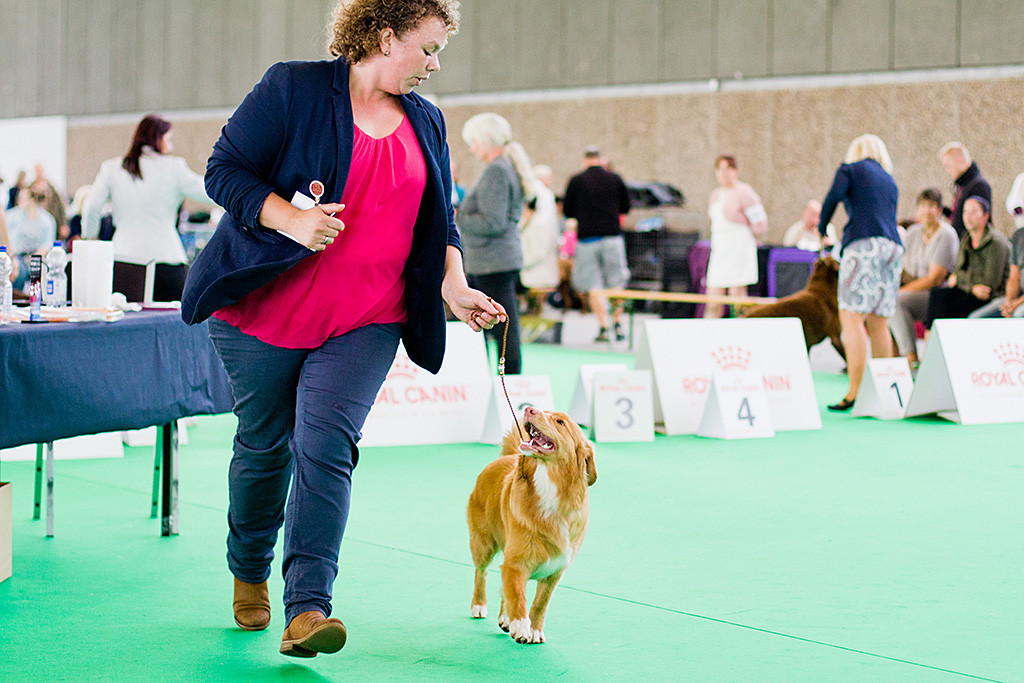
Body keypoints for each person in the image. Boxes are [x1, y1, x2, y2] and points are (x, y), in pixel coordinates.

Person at [180, 0, 502, 658]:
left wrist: (454, 285)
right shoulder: (293, 88)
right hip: (263, 312)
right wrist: (290, 218)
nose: (435, 65)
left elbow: (438, 222)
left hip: (367, 319)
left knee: (327, 444)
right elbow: (224, 171)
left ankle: (308, 607)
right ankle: (248, 566)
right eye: (429, 48)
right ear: (386, 36)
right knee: (265, 448)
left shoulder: (428, 122)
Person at [81, 115, 216, 302]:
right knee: (173, 326)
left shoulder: (112, 168)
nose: (171, 146)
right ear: (156, 139)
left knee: (128, 327)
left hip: (124, 261)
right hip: (167, 260)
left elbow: (91, 207)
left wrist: (90, 239)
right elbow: (211, 193)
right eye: (168, 140)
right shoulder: (175, 168)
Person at [819, 134, 903, 412]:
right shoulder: (890, 180)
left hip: (863, 244)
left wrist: (822, 229)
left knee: (851, 317)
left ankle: (854, 391)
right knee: (879, 321)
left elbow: (832, 197)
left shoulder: (850, 169)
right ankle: (885, 391)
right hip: (893, 248)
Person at [457, 112, 532, 374]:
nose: (472, 147)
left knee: (502, 330)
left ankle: (508, 380)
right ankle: (508, 377)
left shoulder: (496, 171)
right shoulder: (504, 167)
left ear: (486, 141)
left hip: (492, 262)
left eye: (474, 141)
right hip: (497, 260)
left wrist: (458, 217)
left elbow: (492, 222)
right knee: (503, 327)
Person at [562, 146, 631, 341]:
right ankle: (618, 323)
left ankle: (603, 326)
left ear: (584, 160)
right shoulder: (615, 178)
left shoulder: (576, 180)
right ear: (601, 159)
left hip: (587, 239)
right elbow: (626, 206)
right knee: (616, 282)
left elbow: (568, 210)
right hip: (612, 237)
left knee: (593, 286)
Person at [888, 188, 958, 365]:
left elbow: (934, 279)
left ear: (940, 210)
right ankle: (893, 361)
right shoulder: (912, 232)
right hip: (913, 290)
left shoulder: (946, 235)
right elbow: (903, 269)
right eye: (923, 206)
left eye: (932, 206)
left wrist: (901, 290)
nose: (927, 210)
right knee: (886, 301)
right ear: (917, 209)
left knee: (895, 301)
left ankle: (910, 358)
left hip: (938, 295)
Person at [924, 196, 1010, 326]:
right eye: (965, 212)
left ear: (986, 216)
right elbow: (957, 271)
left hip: (991, 295)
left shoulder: (996, 242)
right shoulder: (966, 238)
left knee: (954, 308)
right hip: (972, 290)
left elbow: (990, 282)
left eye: (973, 212)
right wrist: (971, 287)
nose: (968, 217)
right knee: (937, 296)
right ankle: (929, 340)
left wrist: (960, 280)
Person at [704, 155, 767, 318]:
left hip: (739, 247)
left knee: (737, 296)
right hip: (720, 248)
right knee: (713, 297)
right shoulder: (715, 195)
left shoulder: (745, 192)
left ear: (735, 171)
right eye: (720, 169)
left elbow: (760, 222)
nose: (724, 173)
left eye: (728, 169)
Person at [517, 163, 560, 311]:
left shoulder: (538, 224)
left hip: (535, 270)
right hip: (532, 267)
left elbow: (537, 253)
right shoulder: (543, 194)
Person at [5, 188, 57, 291]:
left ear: (33, 199)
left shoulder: (47, 219)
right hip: (17, 256)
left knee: (44, 271)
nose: (20, 201)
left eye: (23, 198)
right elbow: (8, 239)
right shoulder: (12, 216)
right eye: (19, 198)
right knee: (19, 270)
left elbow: (47, 244)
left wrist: (34, 258)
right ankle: (16, 297)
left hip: (38, 257)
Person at [969, 223, 1024, 319]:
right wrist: (1009, 302)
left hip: (1021, 302)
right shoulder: (1019, 235)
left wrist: (1016, 304)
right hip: (1019, 297)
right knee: (976, 318)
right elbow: (1014, 277)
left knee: (1018, 315)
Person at [939, 142, 991, 239]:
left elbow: (977, 223)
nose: (948, 171)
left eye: (948, 166)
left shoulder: (978, 185)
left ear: (959, 161)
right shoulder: (963, 185)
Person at [30, 164, 68, 239]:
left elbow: (60, 207)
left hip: (53, 221)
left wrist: (63, 224)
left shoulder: (52, 190)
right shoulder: (30, 189)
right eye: (37, 171)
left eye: (40, 171)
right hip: (36, 224)